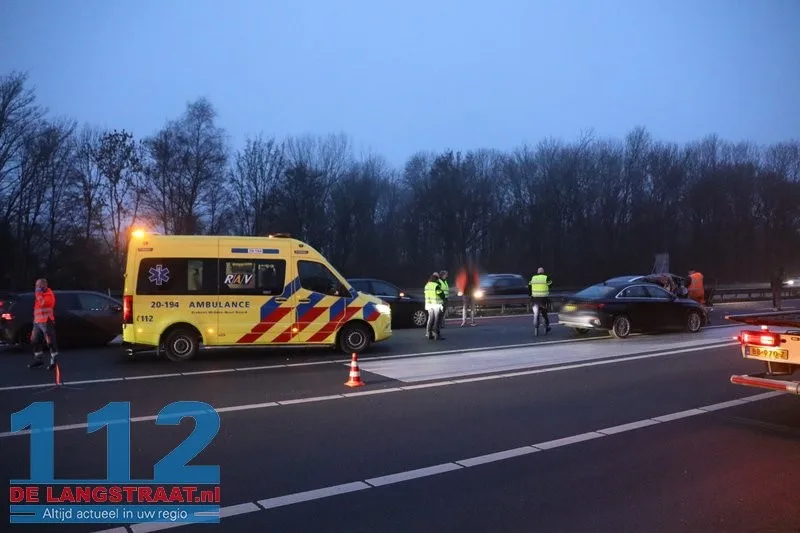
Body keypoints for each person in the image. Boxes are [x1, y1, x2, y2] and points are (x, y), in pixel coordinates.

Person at [28, 278, 59, 370]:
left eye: (38, 285)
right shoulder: (40, 295)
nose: (37, 287)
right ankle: (38, 360)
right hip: (37, 322)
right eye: (36, 285)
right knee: (34, 341)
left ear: (44, 285)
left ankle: (54, 362)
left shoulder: (49, 294)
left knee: (50, 342)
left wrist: (38, 294)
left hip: (46, 321)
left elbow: (43, 304)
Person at [529, 267, 552, 336]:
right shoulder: (546, 277)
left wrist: (530, 294)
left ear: (537, 272)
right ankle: (547, 325)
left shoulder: (533, 278)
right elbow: (551, 285)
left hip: (535, 299)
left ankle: (536, 324)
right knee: (544, 313)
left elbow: (529, 287)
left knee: (536, 313)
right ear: (543, 272)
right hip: (543, 299)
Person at [456, 262, 479, 327]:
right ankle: (464, 321)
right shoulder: (463, 274)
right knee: (465, 307)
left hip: (472, 293)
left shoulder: (474, 273)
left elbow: (476, 282)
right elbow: (459, 282)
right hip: (466, 293)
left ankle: (471, 321)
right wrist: (461, 290)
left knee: (471, 308)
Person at [424, 272, 446, 340]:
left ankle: (429, 333)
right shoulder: (436, 285)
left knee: (430, 319)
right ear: (436, 279)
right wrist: (443, 297)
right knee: (437, 319)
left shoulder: (427, 285)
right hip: (436, 304)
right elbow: (441, 295)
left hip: (429, 304)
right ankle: (436, 334)